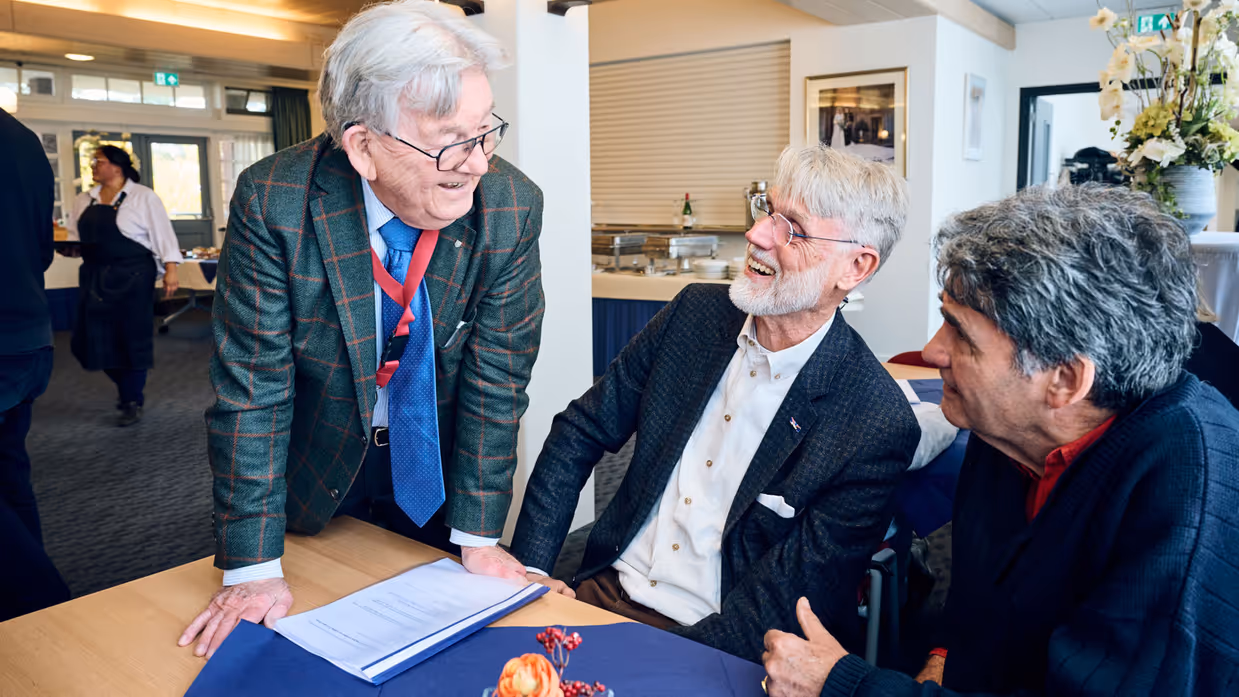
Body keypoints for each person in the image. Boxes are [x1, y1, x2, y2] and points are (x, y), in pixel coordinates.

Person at [761, 184, 1239, 696]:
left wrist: (843, 686)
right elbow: (974, 591)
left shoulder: (1184, 500)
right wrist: (943, 658)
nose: (931, 351)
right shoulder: (1006, 430)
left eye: (960, 334)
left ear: (1064, 380)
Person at [179, 0, 545, 659]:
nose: (478, 163)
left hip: (436, 464)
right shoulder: (276, 201)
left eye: (486, 131)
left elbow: (498, 378)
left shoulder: (510, 206)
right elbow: (253, 389)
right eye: (451, 140)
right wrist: (252, 567)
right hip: (317, 465)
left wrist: (480, 534)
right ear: (362, 145)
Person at [510, 145, 920, 663]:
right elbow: (579, 432)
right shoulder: (695, 316)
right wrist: (529, 576)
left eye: (791, 228)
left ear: (855, 267)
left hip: (717, 643)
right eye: (766, 211)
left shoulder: (873, 422)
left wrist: (637, 665)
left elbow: (775, 611)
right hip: (600, 592)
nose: (757, 235)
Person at [0, 107, 71, 620]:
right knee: (9, 473)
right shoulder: (22, 140)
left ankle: (42, 602)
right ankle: (31, 617)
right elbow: (43, 251)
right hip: (27, 335)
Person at [65, 145, 181, 426]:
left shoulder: (143, 197)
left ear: (117, 167)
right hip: (94, 276)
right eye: (93, 161)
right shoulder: (84, 199)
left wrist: (171, 270)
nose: (93, 166)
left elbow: (163, 235)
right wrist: (69, 249)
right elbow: (73, 237)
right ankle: (128, 388)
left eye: (99, 161)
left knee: (131, 339)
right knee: (86, 341)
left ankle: (131, 399)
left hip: (133, 278)